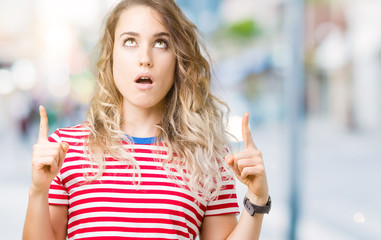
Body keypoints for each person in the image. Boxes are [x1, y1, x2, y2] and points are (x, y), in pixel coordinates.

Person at [23, 0, 270, 239]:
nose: (145, 58)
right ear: (110, 57)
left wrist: (257, 200)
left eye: (161, 43)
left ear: (178, 60)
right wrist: (38, 191)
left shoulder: (210, 158)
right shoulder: (65, 150)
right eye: (130, 41)